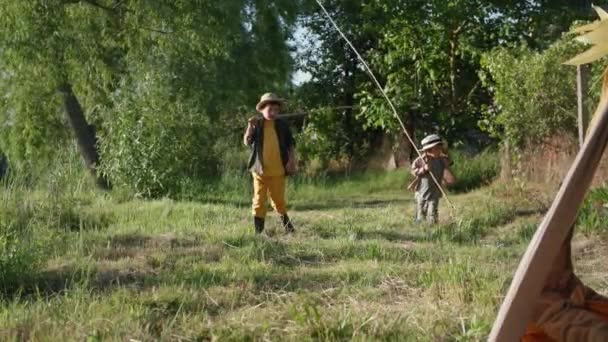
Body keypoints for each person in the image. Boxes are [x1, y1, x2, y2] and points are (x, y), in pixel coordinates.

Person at [243, 93, 297, 234]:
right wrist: (250, 126)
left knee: (278, 201)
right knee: (259, 201)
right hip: (259, 171)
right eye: (270, 109)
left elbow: (291, 144)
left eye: (276, 110)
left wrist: (292, 161)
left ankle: (288, 227)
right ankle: (258, 233)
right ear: (261, 109)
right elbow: (247, 141)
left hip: (278, 171)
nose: (273, 112)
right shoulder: (257, 124)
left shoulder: (282, 125)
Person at [410, 134, 455, 224]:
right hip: (422, 191)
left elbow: (449, 163)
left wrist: (445, 157)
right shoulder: (421, 160)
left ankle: (432, 225)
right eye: (437, 149)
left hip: (435, 190)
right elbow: (413, 171)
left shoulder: (442, 159)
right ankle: (420, 224)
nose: (439, 151)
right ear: (428, 150)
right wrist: (424, 169)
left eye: (440, 148)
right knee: (421, 209)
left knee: (432, 210)